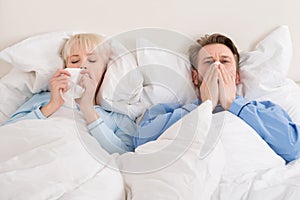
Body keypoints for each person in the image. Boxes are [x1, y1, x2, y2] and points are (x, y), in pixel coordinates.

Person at [133, 33, 300, 163]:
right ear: (195, 77)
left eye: (225, 61)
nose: (217, 66)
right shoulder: (168, 112)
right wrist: (205, 106)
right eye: (208, 62)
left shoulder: (265, 111)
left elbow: (293, 148)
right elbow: (141, 144)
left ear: (236, 77)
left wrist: (234, 104)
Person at [2, 33, 137, 154]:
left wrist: (88, 109)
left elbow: (124, 154)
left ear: (105, 69)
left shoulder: (116, 116)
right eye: (74, 61)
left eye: (92, 60)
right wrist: (52, 105)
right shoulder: (43, 100)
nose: (83, 65)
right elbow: (8, 132)